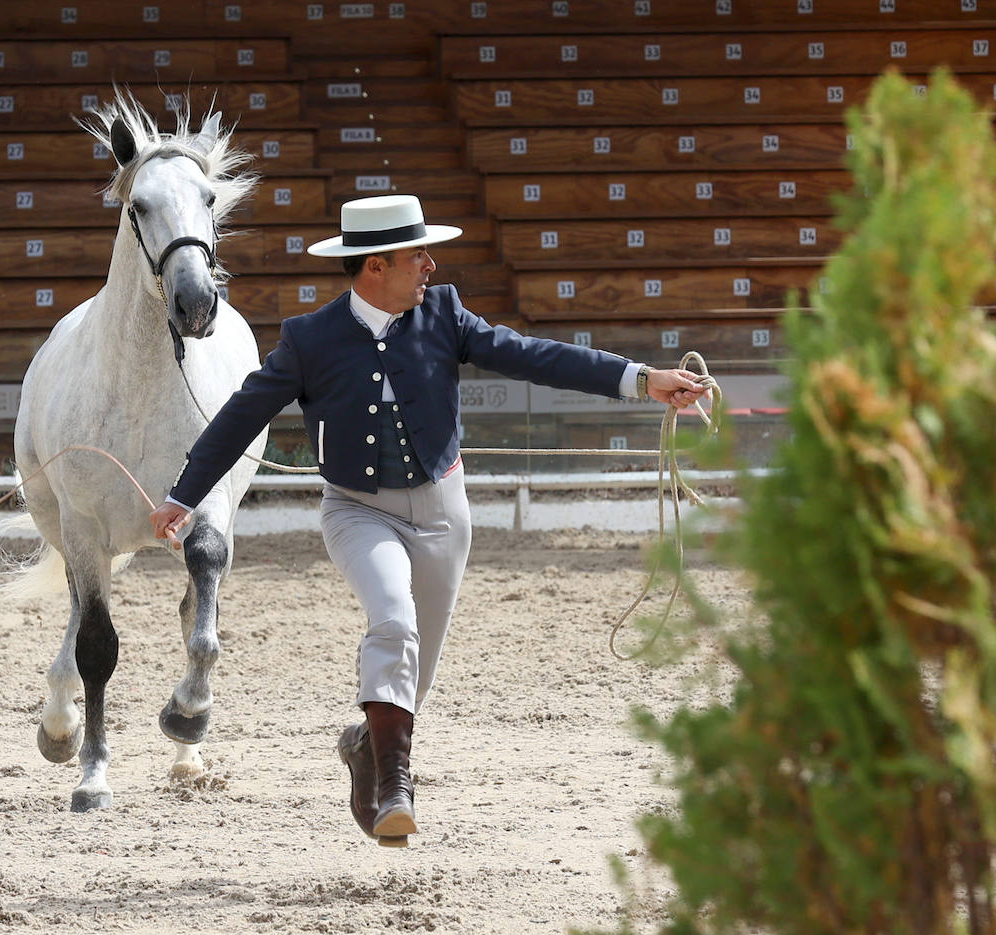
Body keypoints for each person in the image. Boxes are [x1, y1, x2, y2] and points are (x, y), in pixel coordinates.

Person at [149, 194, 708, 847]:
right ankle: (394, 791)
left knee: (414, 672)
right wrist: (184, 495)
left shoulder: (445, 312)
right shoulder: (309, 339)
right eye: (418, 255)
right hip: (358, 510)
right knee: (392, 621)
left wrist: (642, 380)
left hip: (444, 511)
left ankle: (366, 743)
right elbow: (241, 415)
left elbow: (535, 355)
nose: (430, 264)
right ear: (376, 266)